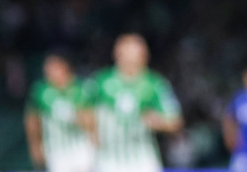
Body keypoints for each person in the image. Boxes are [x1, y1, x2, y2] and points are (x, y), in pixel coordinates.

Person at [82, 33, 183, 172]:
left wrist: (159, 122)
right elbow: (83, 108)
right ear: (117, 54)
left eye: (136, 54)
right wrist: (91, 130)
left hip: (143, 160)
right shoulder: (101, 81)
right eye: (127, 53)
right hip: (108, 160)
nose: (131, 59)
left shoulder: (155, 84)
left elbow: (176, 121)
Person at [24, 52, 94, 172]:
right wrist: (35, 146)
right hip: (55, 149)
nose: (49, 72)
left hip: (80, 147)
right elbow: (32, 120)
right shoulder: (41, 91)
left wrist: (73, 116)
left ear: (65, 67)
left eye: (54, 68)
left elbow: (91, 121)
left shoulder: (80, 89)